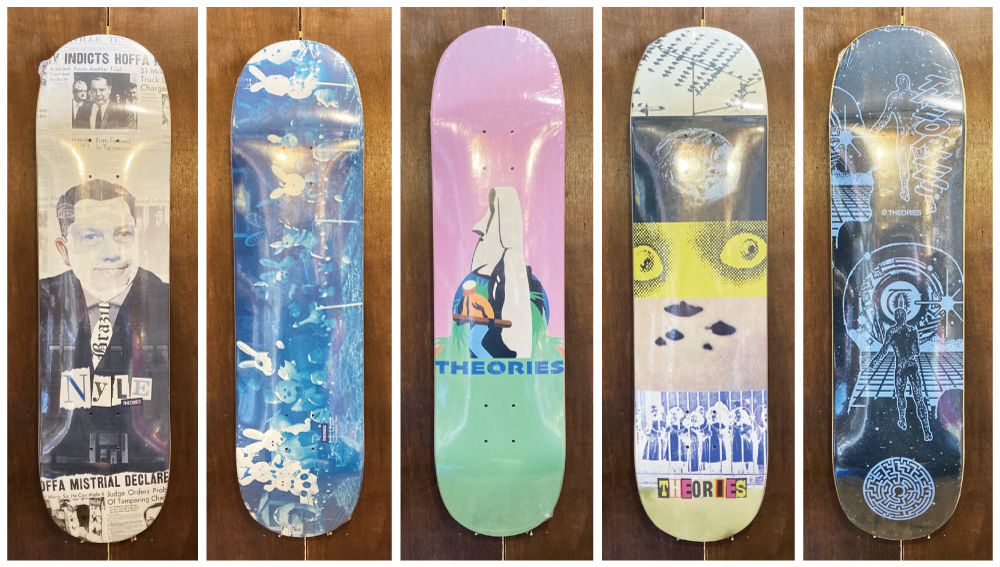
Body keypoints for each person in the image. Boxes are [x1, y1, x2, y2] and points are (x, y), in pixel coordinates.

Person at [39, 179, 169, 473]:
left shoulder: (169, 302)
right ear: (64, 250)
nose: (112, 253)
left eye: (123, 234)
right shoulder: (38, 303)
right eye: (91, 237)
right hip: (55, 472)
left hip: (153, 472)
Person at [869, 305, 933, 441]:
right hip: (912, 365)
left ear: (895, 318)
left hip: (901, 367)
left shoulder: (892, 332)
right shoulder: (912, 330)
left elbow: (884, 350)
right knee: (919, 398)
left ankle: (903, 420)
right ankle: (927, 431)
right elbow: (917, 351)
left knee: (900, 395)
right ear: (905, 317)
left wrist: (874, 362)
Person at [870, 73, 917, 203]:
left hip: (918, 135)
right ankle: (905, 190)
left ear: (908, 83)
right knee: (904, 165)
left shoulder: (914, 96)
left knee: (915, 163)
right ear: (898, 84)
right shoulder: (894, 97)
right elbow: (885, 117)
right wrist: (873, 130)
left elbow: (926, 114)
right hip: (903, 137)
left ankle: (913, 191)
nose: (903, 83)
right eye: (901, 81)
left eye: (905, 81)